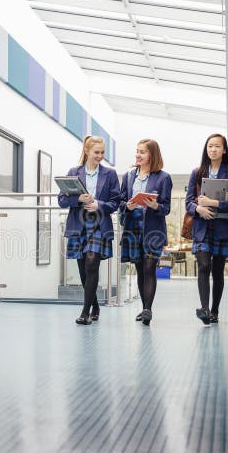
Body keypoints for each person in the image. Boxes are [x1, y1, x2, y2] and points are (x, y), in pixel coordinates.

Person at [58, 136, 121, 325]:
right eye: (97, 152)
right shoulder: (73, 172)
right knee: (83, 268)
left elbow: (115, 202)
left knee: (92, 263)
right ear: (86, 151)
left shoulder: (110, 174)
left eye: (102, 152)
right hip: (78, 224)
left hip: (99, 223)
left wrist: (98, 204)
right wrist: (78, 200)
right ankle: (94, 304)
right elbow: (62, 201)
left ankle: (85, 312)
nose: (100, 156)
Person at [119, 139, 173, 326]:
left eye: (142, 152)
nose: (138, 155)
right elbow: (121, 202)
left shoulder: (163, 178)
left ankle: (148, 309)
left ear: (152, 154)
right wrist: (127, 205)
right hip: (133, 227)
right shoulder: (128, 177)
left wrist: (156, 205)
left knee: (150, 267)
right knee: (140, 269)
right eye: (137, 151)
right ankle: (144, 307)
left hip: (153, 228)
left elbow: (166, 208)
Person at [186, 133, 228, 326]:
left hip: (223, 226)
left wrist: (215, 204)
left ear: (224, 149)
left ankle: (215, 310)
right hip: (202, 227)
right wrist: (198, 209)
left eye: (217, 146)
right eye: (210, 146)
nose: (213, 150)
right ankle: (204, 309)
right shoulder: (197, 172)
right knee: (204, 265)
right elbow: (189, 201)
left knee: (217, 271)